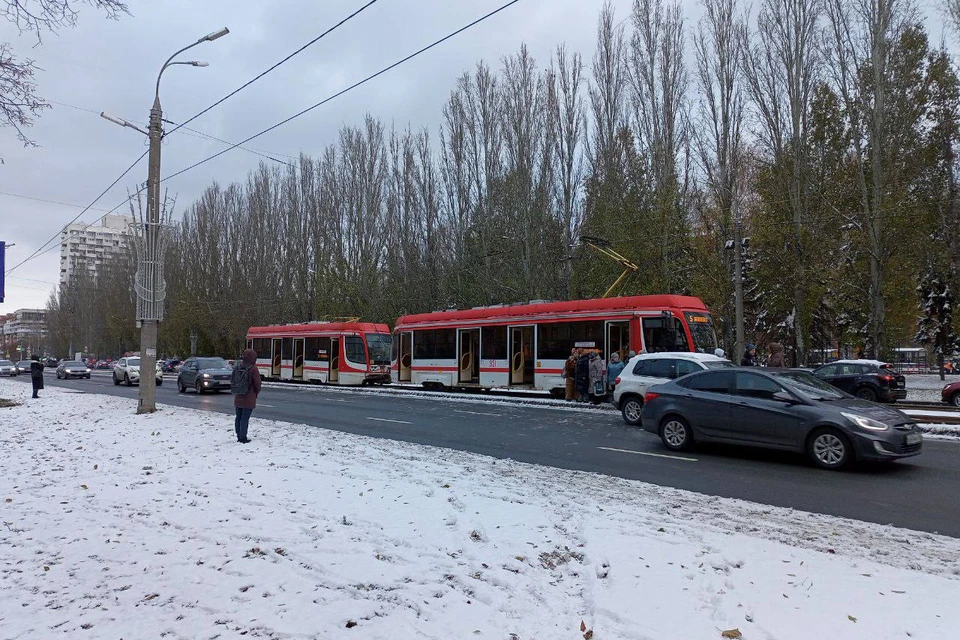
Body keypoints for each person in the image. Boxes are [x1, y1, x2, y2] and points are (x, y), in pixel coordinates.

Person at [232, 348, 262, 443]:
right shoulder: (253, 369)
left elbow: (232, 380)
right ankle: (243, 437)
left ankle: (238, 435)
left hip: (238, 396)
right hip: (249, 397)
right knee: (245, 418)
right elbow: (257, 383)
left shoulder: (237, 366)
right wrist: (256, 392)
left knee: (238, 417)